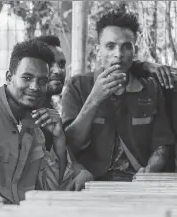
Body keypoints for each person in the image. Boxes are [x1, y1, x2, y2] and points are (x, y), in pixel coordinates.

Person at [0, 39, 93, 205]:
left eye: (42, 81)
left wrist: (59, 138)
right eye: (27, 78)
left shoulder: (33, 129)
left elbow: (50, 188)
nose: (34, 87)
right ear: (9, 77)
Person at [62, 10, 176, 181]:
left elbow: (163, 143)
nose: (119, 54)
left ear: (134, 50)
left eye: (126, 46)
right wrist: (94, 99)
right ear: (98, 50)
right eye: (110, 46)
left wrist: (150, 169)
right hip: (91, 180)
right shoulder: (77, 87)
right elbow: (70, 144)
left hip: (138, 181)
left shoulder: (150, 88)